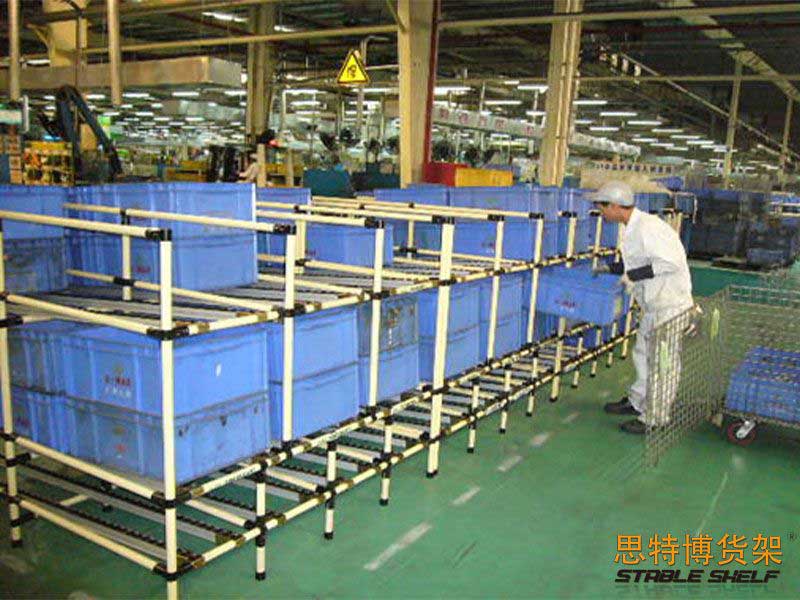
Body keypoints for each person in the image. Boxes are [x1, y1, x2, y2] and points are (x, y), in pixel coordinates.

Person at [590, 181, 694, 434]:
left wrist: (632, 275)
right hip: (653, 305)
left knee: (663, 364)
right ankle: (638, 401)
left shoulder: (649, 227)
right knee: (643, 354)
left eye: (602, 206)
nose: (600, 212)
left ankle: (655, 417)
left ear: (615, 206)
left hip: (669, 306)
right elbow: (639, 263)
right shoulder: (633, 227)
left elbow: (669, 263)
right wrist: (610, 268)